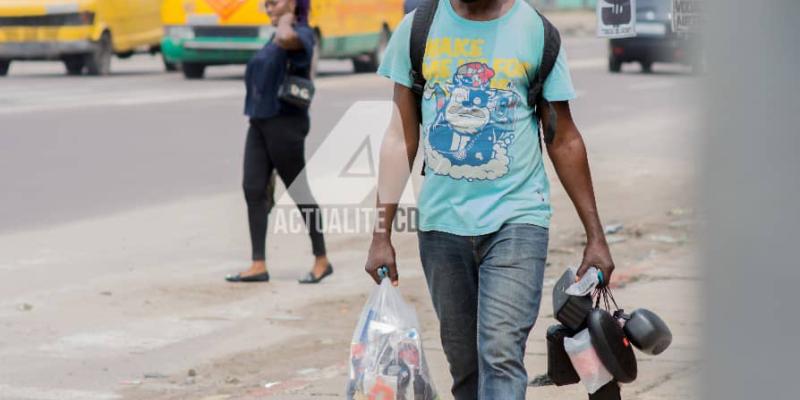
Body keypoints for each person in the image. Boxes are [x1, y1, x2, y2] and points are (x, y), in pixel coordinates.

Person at [364, 0, 616, 399]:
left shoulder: (536, 32)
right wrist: (381, 236)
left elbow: (563, 137)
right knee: (465, 367)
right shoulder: (418, 30)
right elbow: (400, 139)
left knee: (500, 355)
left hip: (518, 218)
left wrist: (596, 236)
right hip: (441, 226)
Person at [226, 0, 333, 284]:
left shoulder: (302, 33)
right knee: (252, 188)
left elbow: (288, 38)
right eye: (266, 3)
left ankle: (322, 259)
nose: (268, 8)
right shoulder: (273, 39)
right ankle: (258, 263)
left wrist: (289, 16)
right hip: (259, 123)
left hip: (285, 124)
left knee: (299, 191)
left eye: (274, 2)